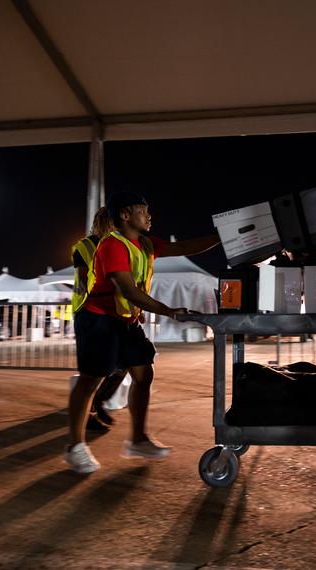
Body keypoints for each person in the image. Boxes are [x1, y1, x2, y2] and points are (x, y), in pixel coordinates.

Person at [65, 191, 220, 474]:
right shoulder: (112, 246)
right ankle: (75, 446)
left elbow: (186, 246)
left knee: (143, 372)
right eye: (142, 210)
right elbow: (129, 291)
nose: (149, 216)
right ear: (125, 215)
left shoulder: (146, 243)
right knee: (91, 380)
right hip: (98, 319)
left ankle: (137, 439)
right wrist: (170, 311)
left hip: (125, 320)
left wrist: (223, 236)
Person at [71, 207, 126, 432]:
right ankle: (89, 415)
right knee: (93, 371)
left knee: (123, 365)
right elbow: (85, 280)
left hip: (115, 313)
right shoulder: (84, 246)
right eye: (114, 224)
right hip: (90, 312)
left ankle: (98, 402)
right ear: (104, 223)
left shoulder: (120, 246)